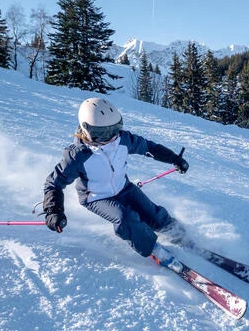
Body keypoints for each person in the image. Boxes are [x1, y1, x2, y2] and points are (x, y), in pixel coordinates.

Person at [43, 97, 189, 266]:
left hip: (124, 188)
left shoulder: (123, 140)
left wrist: (174, 158)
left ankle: (180, 236)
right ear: (87, 129)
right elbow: (53, 184)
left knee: (153, 214)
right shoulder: (77, 156)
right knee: (125, 218)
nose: (112, 137)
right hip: (97, 197)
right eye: (103, 133)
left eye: (115, 129)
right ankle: (152, 248)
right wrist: (53, 211)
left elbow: (149, 147)